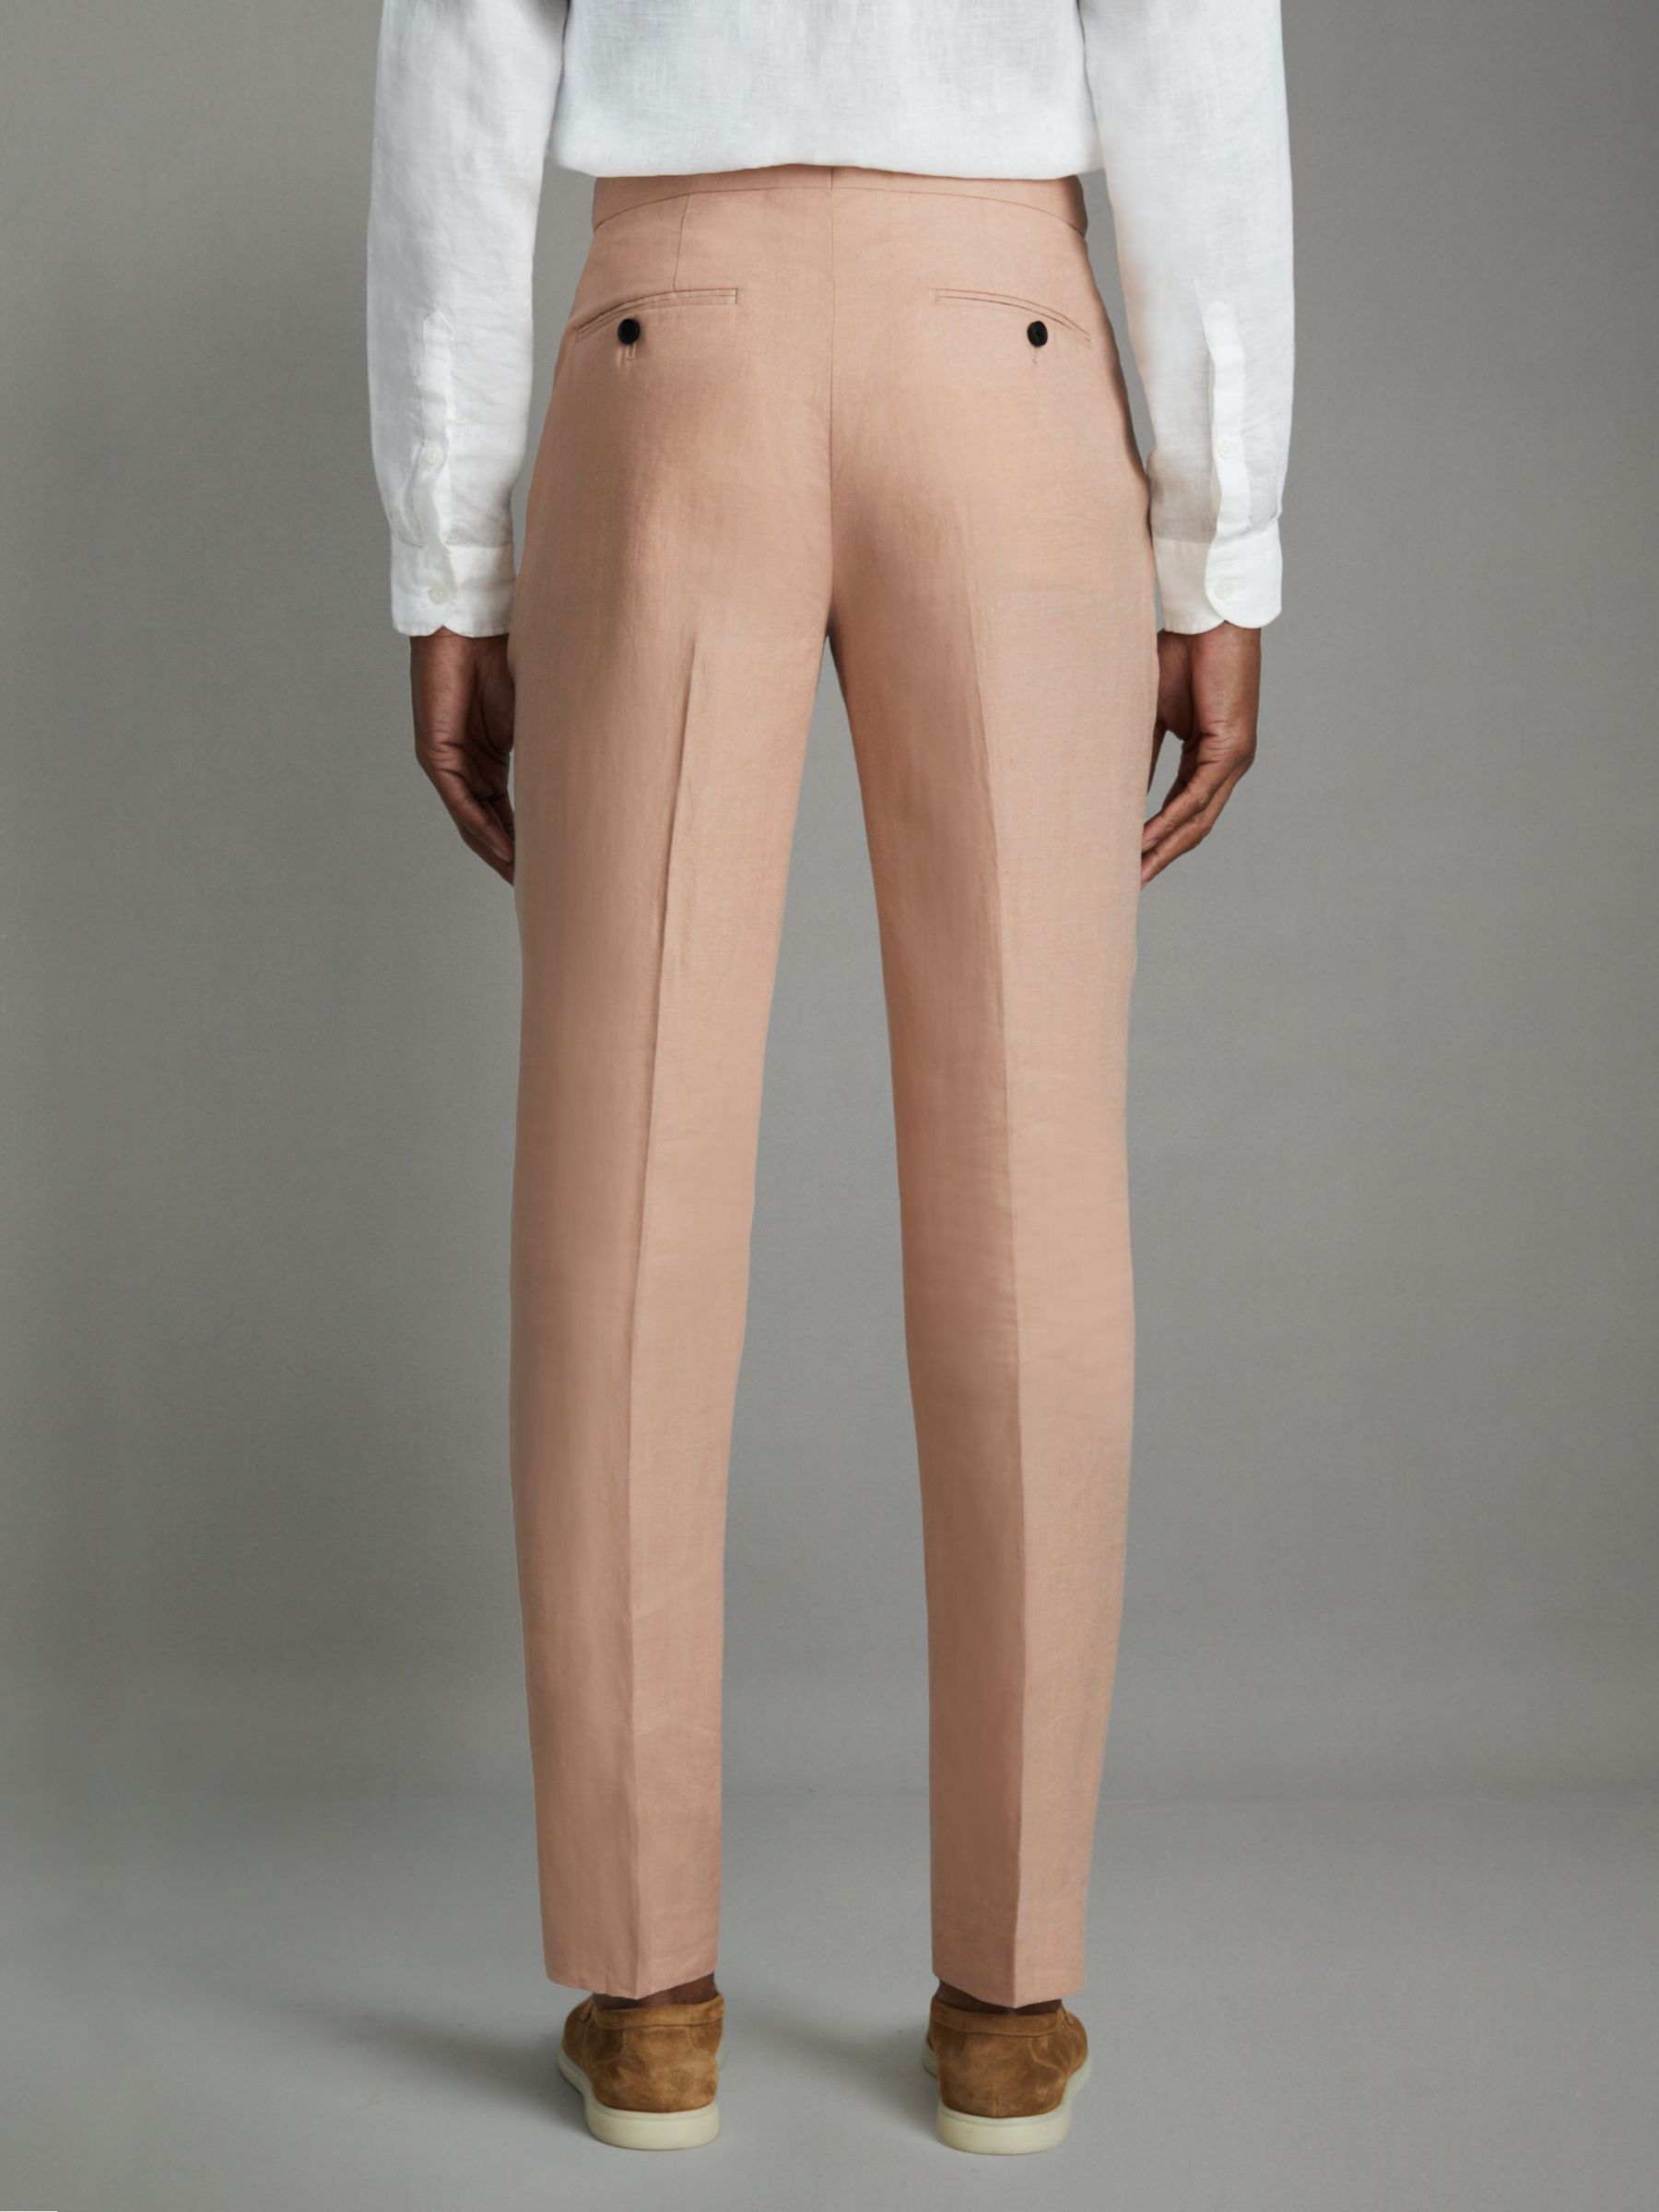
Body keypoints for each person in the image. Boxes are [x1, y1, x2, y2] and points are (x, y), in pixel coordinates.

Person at [368, 0, 1292, 2158]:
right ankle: (1009, 2003)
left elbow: (464, 69)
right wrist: (1222, 543)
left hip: (667, 347)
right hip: (1007, 348)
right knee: (1034, 1184)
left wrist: (449, 556)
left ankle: (647, 1999)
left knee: (620, 1183)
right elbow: (1190, 52)